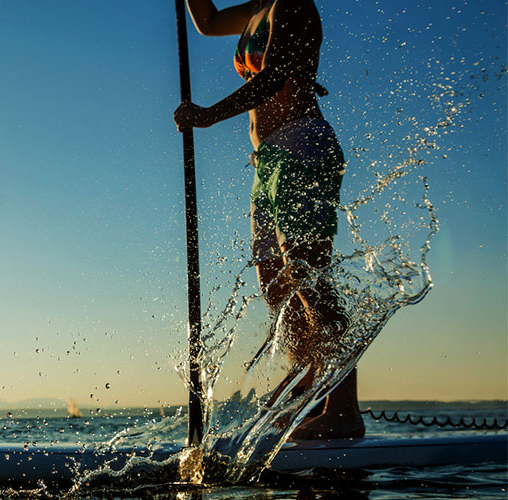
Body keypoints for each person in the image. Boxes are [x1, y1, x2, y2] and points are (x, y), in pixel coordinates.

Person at [173, 0, 364, 439]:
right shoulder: (258, 8)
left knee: (306, 278)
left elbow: (273, 77)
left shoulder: (293, 4)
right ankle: (311, 387)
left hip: (303, 148)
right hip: (267, 161)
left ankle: (344, 410)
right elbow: (207, 22)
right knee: (277, 288)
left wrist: (206, 116)